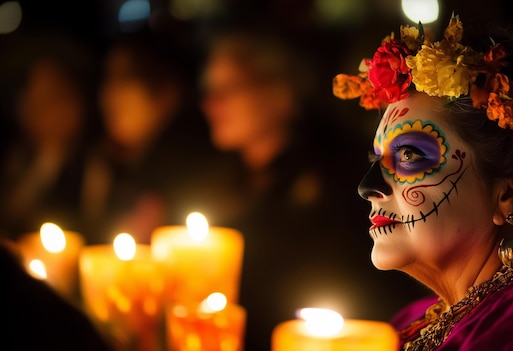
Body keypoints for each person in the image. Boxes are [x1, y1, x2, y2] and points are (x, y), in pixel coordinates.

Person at [332, 13, 513, 350]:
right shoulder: (413, 321)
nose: (368, 187)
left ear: (512, 191)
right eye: (376, 159)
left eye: (409, 156)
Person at [197, 17, 427, 350]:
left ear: (281, 91)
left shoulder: (334, 183)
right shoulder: (226, 176)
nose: (211, 104)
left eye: (229, 88)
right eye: (209, 90)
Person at [80, 29, 211, 245]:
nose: (108, 96)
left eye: (126, 78)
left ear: (169, 89)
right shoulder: (111, 162)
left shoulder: (192, 174)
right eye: (107, 79)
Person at [0, 31, 98, 240]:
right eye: (31, 98)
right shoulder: (18, 156)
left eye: (51, 99)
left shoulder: (95, 163)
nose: (37, 110)